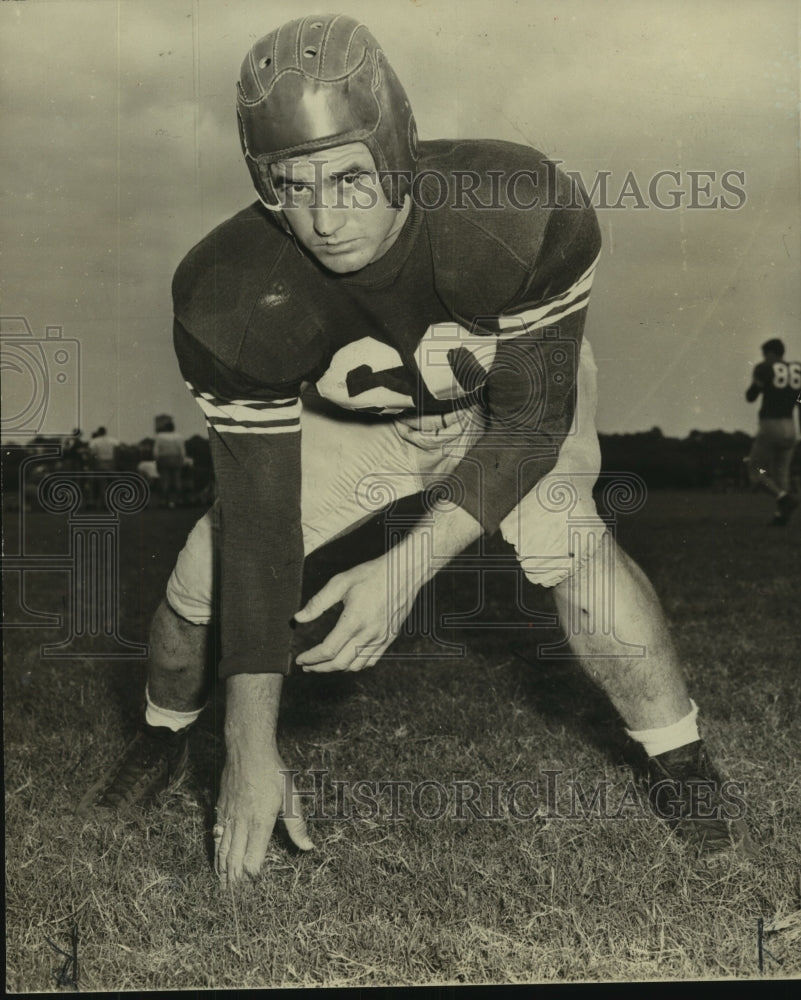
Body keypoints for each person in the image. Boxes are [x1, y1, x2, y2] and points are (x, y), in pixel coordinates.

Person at [78, 13, 754, 882]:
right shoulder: (227, 292)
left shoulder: (513, 210)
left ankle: (683, 767)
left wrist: (399, 572)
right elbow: (260, 526)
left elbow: (530, 426)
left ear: (397, 151)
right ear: (259, 180)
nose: (323, 216)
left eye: (350, 177)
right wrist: (250, 747)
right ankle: (165, 735)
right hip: (352, 427)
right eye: (291, 184)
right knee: (201, 578)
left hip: (505, 407)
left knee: (570, 544)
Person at [745, 338, 800, 525]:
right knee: (781, 474)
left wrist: (757, 386)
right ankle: (781, 517)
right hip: (791, 427)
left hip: (771, 424)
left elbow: (751, 396)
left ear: (770, 353)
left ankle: (783, 497)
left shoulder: (765, 367)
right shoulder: (797, 369)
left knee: (755, 470)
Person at [153, 415, 187, 508]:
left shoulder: (159, 436)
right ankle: (178, 500)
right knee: (177, 479)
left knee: (165, 480)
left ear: (165, 428)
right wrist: (182, 460)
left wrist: (156, 460)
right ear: (173, 428)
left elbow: (156, 450)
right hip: (176, 458)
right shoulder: (179, 436)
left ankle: (164, 501)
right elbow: (182, 450)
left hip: (164, 458)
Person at [86, 425, 119, 508]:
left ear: (98, 432)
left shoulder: (94, 441)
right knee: (111, 483)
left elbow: (92, 454)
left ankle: (104, 503)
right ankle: (111, 502)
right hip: (111, 462)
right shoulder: (112, 440)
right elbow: (116, 451)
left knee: (102, 484)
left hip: (100, 462)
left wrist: (93, 464)